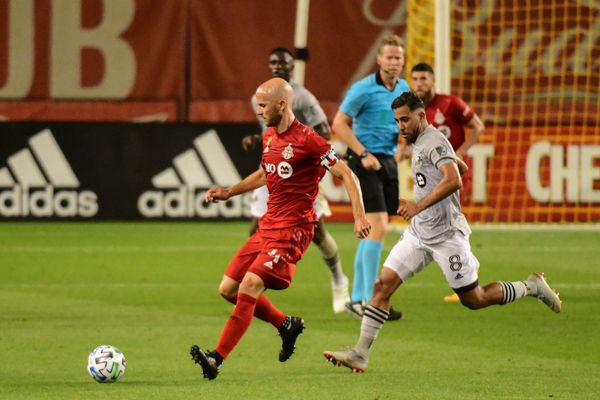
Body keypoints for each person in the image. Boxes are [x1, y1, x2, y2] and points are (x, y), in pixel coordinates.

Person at [323, 91, 562, 373]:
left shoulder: (433, 141)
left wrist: (418, 204)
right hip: (419, 234)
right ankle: (360, 354)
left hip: (447, 237)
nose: (400, 127)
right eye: (397, 121)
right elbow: (455, 166)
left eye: (405, 120)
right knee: (382, 286)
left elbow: (454, 180)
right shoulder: (422, 141)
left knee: (475, 300)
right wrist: (434, 188)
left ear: (421, 116)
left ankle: (531, 286)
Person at [191, 77, 371, 380]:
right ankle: (286, 325)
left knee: (248, 287)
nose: (259, 111)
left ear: (282, 105)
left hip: (293, 231)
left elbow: (347, 173)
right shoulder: (270, 136)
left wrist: (360, 216)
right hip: (268, 226)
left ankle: (216, 359)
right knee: (227, 290)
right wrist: (228, 192)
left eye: (263, 105)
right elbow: (265, 173)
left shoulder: (309, 140)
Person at [242, 47, 350, 313]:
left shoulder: (302, 97)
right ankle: (249, 289)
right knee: (256, 230)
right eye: (273, 61)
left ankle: (339, 280)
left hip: (299, 175)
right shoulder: (261, 94)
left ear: (292, 67)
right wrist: (257, 140)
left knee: (318, 234)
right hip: (271, 172)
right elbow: (269, 132)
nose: (278, 65)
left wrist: (297, 142)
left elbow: (324, 130)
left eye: (284, 62)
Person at [332, 34, 409, 321]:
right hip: (364, 161)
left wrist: (403, 145)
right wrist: (363, 153)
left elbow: (405, 121)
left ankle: (359, 298)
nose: (394, 62)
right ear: (379, 59)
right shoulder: (362, 89)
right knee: (378, 226)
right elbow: (339, 124)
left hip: (387, 161)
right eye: (389, 57)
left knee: (377, 229)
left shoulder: (403, 88)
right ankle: (368, 299)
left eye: (398, 57)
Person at [409, 62, 485, 302]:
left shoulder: (451, 103)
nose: (419, 83)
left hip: (451, 173)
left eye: (423, 79)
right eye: (415, 79)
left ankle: (467, 269)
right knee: (442, 217)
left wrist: (460, 153)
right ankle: (467, 267)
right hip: (432, 174)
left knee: (450, 218)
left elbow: (477, 126)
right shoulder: (418, 110)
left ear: (433, 81)